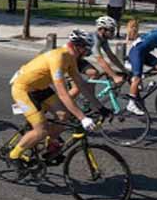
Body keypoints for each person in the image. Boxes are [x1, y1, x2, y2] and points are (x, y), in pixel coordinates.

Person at [7, 30, 104, 171]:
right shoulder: (58, 57)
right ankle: (14, 155)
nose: (87, 52)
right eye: (86, 48)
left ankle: (50, 145)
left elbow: (81, 85)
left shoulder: (70, 58)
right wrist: (82, 118)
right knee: (41, 130)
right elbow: (63, 94)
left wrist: (100, 108)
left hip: (40, 88)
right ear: (77, 46)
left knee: (64, 115)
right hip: (23, 89)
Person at [79, 16, 128, 85]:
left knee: (95, 74)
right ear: (102, 29)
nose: (113, 32)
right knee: (79, 85)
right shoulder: (94, 39)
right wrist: (114, 76)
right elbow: (100, 60)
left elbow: (111, 56)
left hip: (80, 59)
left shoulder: (102, 39)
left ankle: (90, 95)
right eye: (111, 30)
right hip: (71, 59)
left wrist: (124, 70)